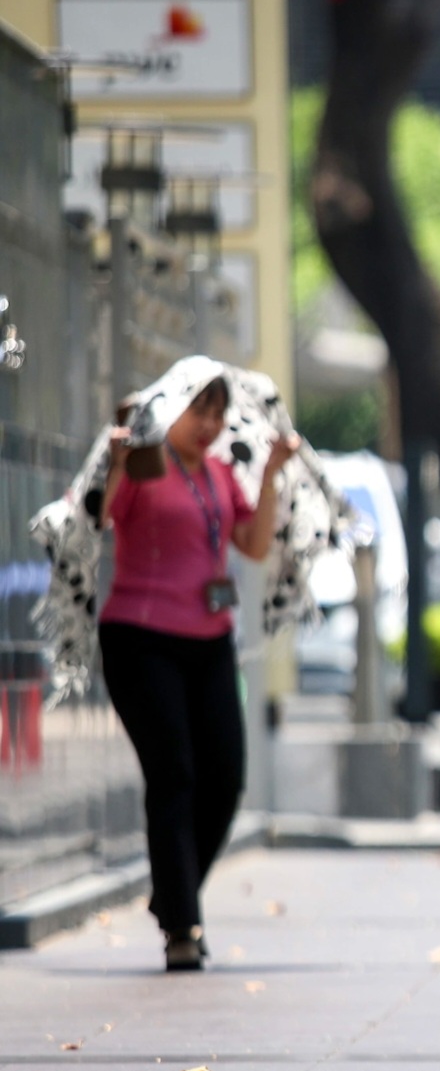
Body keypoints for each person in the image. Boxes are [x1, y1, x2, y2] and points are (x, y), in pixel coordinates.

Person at [97, 366, 298, 972]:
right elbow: (102, 515)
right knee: (175, 774)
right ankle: (182, 926)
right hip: (141, 639)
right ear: (172, 408)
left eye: (217, 414)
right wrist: (116, 462)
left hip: (209, 641)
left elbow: (254, 546)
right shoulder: (144, 462)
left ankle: (171, 895)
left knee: (225, 778)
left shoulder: (218, 473)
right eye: (199, 411)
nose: (209, 425)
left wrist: (269, 474)